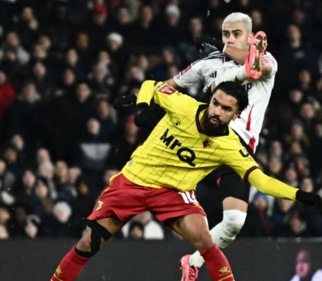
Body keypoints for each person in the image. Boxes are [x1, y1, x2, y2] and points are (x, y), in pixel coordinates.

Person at [50, 80, 322, 281]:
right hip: (133, 181)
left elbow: (261, 181)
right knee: (89, 243)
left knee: (204, 238)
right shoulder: (183, 105)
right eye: (215, 102)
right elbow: (151, 85)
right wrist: (143, 106)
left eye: (225, 109)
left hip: (173, 193)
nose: (216, 111)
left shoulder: (230, 146)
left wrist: (300, 195)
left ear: (235, 115)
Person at [162, 12, 276, 280]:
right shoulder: (208, 63)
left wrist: (233, 52)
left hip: (237, 150)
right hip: (206, 139)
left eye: (237, 34)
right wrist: (143, 100)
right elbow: (170, 85)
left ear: (250, 38)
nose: (230, 39)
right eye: (226, 34)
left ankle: (192, 261)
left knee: (234, 222)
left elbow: (258, 69)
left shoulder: (266, 59)